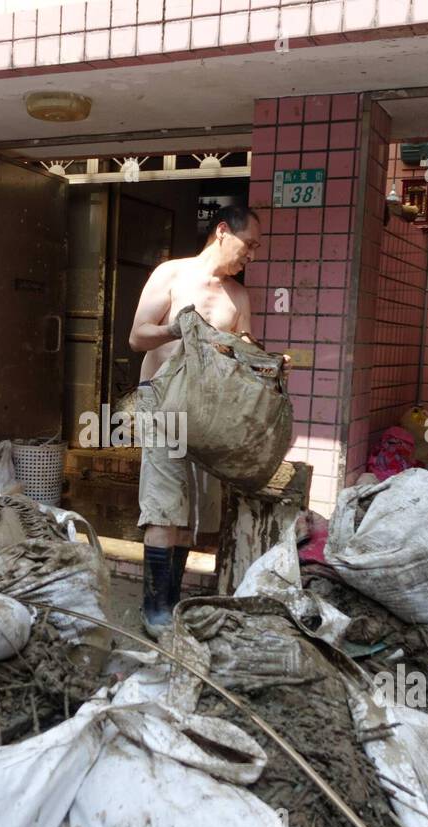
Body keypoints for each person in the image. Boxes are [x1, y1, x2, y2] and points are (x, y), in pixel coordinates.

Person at [127, 204, 263, 638]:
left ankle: (171, 600)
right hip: (162, 405)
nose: (252, 256)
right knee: (165, 505)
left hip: (207, 416)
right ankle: (154, 608)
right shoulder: (171, 275)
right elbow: (137, 336)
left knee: (192, 512)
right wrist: (177, 329)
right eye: (250, 245)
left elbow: (243, 353)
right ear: (223, 231)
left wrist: (261, 363)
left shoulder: (238, 297)